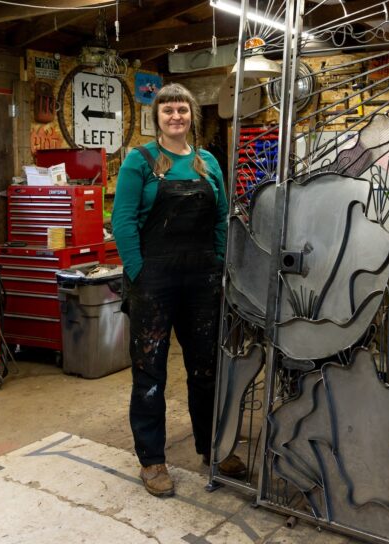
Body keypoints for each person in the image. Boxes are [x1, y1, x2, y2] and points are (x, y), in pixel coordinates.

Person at [112, 83, 245, 497]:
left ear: (191, 116)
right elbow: (122, 221)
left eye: (182, 110)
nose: (175, 116)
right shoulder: (141, 161)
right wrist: (139, 273)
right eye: (168, 110)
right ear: (157, 117)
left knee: (206, 369)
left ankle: (213, 447)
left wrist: (219, 264)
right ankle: (152, 460)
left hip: (202, 281)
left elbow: (222, 217)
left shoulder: (207, 162)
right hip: (154, 281)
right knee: (149, 371)